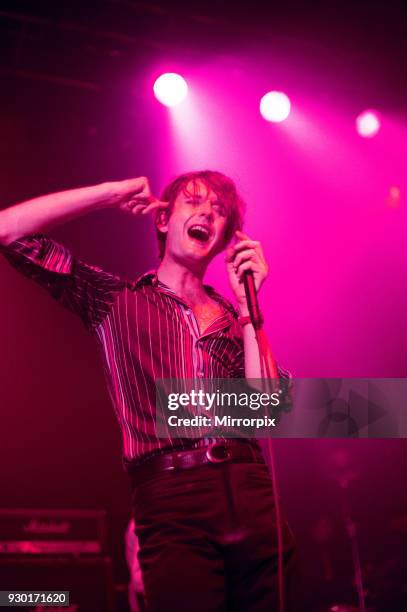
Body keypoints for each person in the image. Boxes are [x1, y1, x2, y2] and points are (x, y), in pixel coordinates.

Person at [0, 171, 296, 611]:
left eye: (218, 212)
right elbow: (9, 231)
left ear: (224, 240)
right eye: (194, 203)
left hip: (250, 490)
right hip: (172, 496)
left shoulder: (235, 323)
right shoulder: (115, 300)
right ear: (163, 220)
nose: (206, 215)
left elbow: (267, 411)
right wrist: (108, 193)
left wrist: (250, 310)